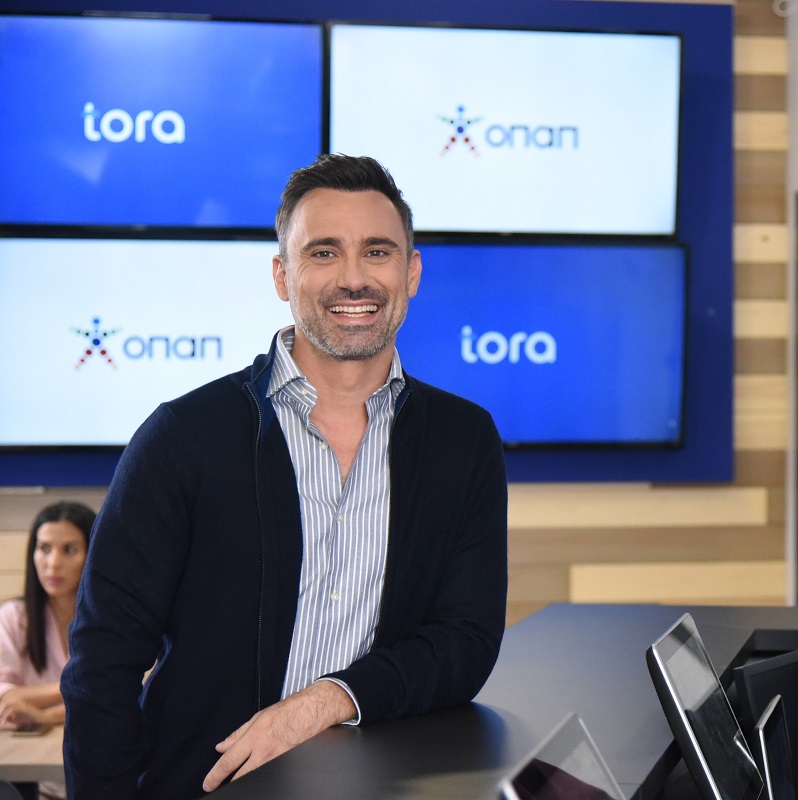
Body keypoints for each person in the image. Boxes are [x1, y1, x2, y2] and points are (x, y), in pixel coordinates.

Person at [61, 154, 508, 800]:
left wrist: (329, 698)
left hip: (381, 788)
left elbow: (465, 640)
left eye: (377, 252)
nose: (353, 279)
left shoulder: (463, 441)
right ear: (282, 274)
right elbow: (103, 662)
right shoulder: (184, 436)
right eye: (323, 253)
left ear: (411, 272)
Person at [0, 501, 95, 731]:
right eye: (44, 548)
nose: (53, 564)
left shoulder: (111, 619)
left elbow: (119, 694)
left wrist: (45, 715)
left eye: (69, 550)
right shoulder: (14, 617)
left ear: (93, 555)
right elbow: (5, 697)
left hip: (96, 741)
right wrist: (78, 687)